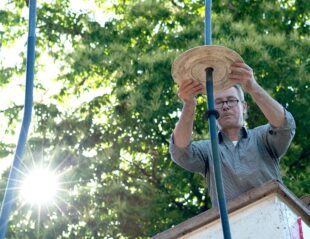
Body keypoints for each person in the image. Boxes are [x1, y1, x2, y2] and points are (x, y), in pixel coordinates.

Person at [169, 61, 296, 207]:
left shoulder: (261, 137)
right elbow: (180, 152)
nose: (226, 106)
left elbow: (285, 125)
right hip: (230, 225)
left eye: (231, 100)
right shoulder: (207, 149)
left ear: (244, 106)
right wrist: (189, 105)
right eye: (218, 103)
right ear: (211, 111)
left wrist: (252, 86)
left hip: (273, 215)